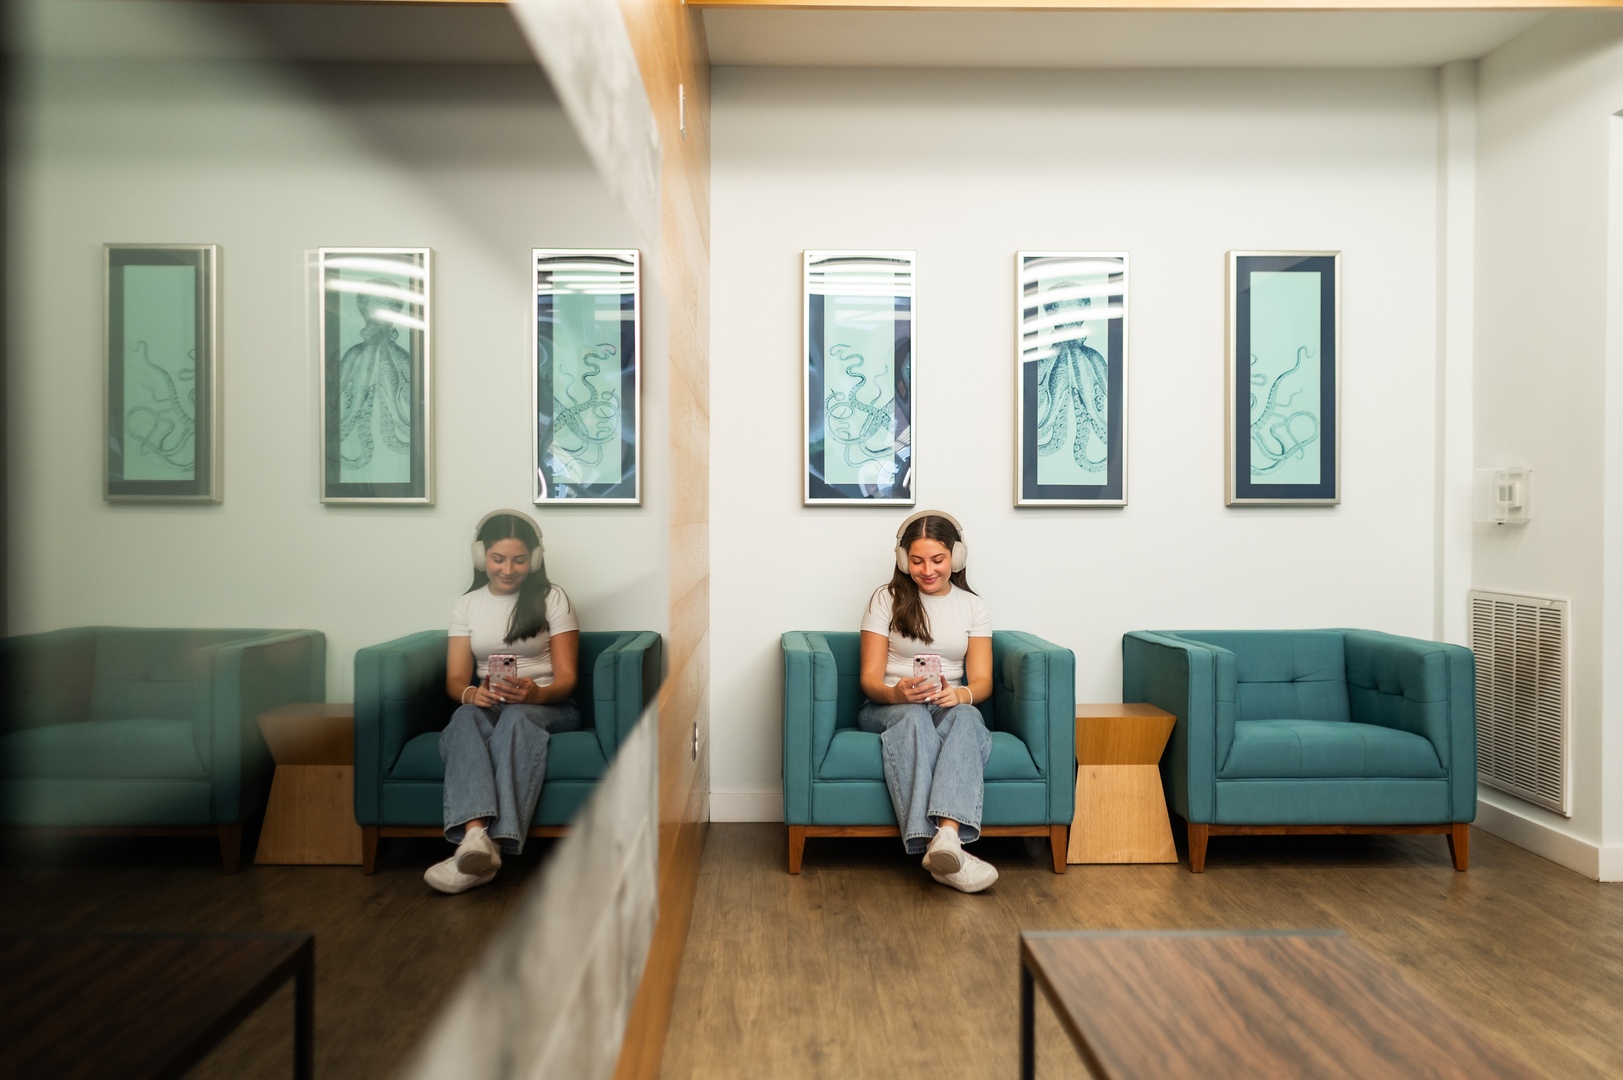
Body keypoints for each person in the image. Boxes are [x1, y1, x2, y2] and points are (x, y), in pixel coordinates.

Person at [425, 509, 581, 894]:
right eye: (498, 559)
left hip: (549, 706)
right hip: (490, 703)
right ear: (482, 558)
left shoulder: (552, 598)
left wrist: (537, 692)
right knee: (463, 718)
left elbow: (567, 679)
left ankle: (489, 850)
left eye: (519, 559)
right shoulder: (467, 606)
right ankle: (476, 838)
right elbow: (455, 679)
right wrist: (472, 693)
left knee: (515, 720)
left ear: (535, 559)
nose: (508, 569)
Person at [858, 509, 997, 893]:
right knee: (915, 718)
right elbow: (869, 680)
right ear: (903, 560)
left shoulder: (973, 606)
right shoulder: (885, 599)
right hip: (888, 707)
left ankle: (947, 841)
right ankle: (933, 845)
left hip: (944, 704)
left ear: (957, 557)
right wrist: (895, 691)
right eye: (916, 561)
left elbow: (983, 680)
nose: (927, 570)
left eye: (937, 560)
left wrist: (961, 693)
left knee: (968, 718)